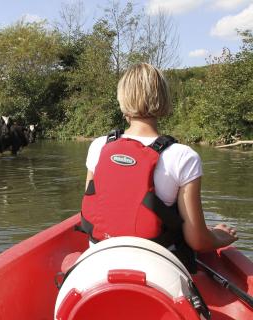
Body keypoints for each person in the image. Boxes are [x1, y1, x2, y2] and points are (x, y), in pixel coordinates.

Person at [79, 62, 237, 272]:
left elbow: (95, 205)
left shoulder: (99, 146)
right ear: (163, 98)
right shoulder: (183, 156)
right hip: (155, 267)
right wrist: (220, 236)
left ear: (121, 99)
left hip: (98, 259)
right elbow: (198, 241)